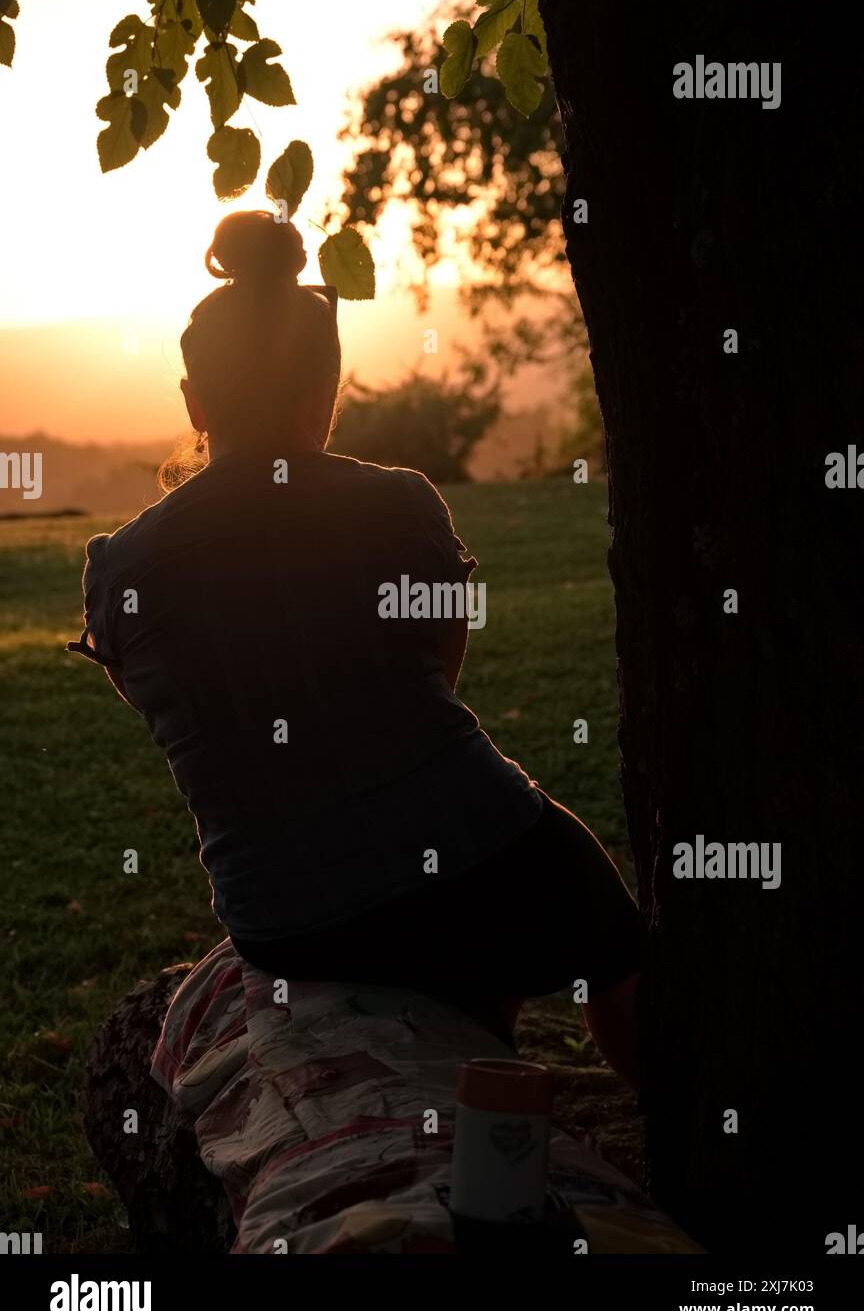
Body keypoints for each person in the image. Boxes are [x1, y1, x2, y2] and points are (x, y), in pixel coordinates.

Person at [67, 210, 642, 1087]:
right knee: (614, 942)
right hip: (477, 860)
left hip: (285, 918)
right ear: (323, 395)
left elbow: (164, 706)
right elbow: (438, 672)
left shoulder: (121, 567)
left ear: (194, 401)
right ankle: (669, 1130)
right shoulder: (402, 508)